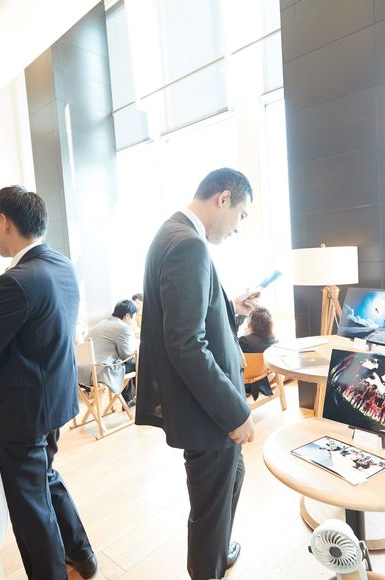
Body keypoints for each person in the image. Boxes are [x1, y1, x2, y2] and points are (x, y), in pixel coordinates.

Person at [0, 186, 97, 580]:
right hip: (54, 401)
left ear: (4, 221)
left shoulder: (13, 281)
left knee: (29, 506)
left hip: (21, 413)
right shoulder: (62, 265)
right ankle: (82, 554)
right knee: (45, 479)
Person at [136, 167, 256, 580]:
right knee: (211, 500)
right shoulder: (189, 245)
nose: (238, 227)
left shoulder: (172, 233)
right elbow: (186, 342)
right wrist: (234, 412)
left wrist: (230, 307)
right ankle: (208, 567)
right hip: (207, 408)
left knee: (229, 478)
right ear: (223, 199)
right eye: (241, 215)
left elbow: (189, 320)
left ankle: (216, 551)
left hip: (198, 402)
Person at [78, 299, 138, 402]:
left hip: (80, 373)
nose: (133, 321)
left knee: (121, 363)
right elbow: (127, 356)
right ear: (127, 316)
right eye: (134, 317)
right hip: (99, 373)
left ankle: (127, 400)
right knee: (137, 363)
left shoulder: (101, 323)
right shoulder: (123, 328)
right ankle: (134, 400)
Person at [239, 306, 278, 400]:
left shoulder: (244, 341)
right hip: (264, 377)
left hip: (248, 383)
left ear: (251, 323)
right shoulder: (272, 339)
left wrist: (245, 334)